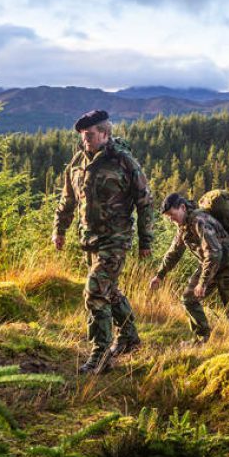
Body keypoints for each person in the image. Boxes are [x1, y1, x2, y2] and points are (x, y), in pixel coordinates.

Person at [52, 109, 153, 374]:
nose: (85, 139)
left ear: (105, 134)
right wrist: (59, 230)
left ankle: (101, 356)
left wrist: (146, 240)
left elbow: (145, 202)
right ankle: (129, 337)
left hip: (116, 240)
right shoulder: (77, 163)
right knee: (109, 290)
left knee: (95, 291)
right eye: (83, 136)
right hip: (90, 240)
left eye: (90, 135)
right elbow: (68, 200)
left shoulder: (124, 162)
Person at [149, 193, 229, 344]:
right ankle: (201, 338)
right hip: (212, 266)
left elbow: (214, 252)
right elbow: (174, 253)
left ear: (182, 207)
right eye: (168, 216)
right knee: (189, 298)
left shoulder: (199, 221)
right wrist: (159, 275)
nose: (171, 219)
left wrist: (203, 282)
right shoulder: (183, 227)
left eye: (172, 215)